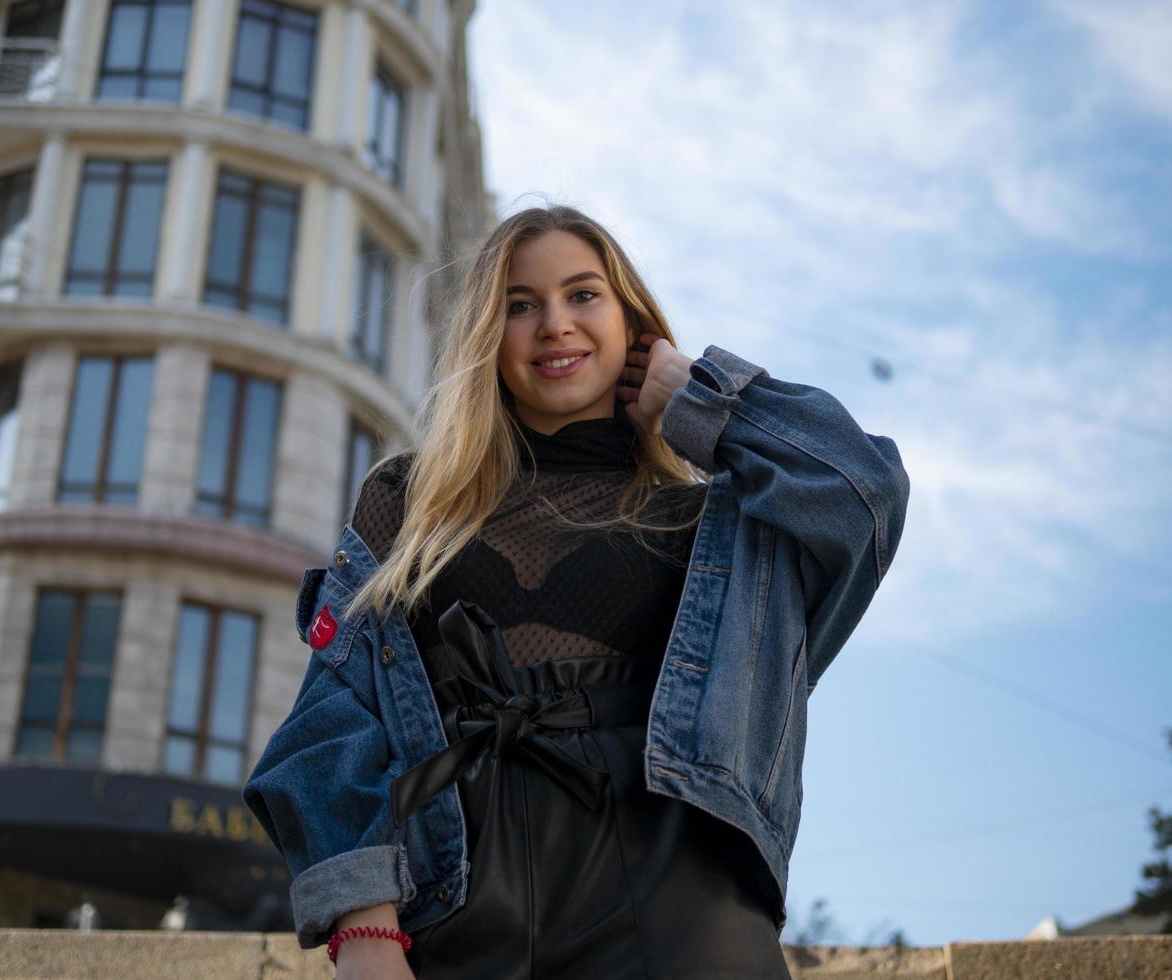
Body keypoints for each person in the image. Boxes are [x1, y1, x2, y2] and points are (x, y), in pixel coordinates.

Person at [243, 205, 910, 978]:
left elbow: (862, 492)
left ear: (633, 324)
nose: (554, 324)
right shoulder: (409, 501)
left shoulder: (715, 524)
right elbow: (332, 711)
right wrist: (365, 927)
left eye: (583, 295)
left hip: (680, 900)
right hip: (454, 895)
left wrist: (700, 399)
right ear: (487, 338)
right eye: (520, 305)